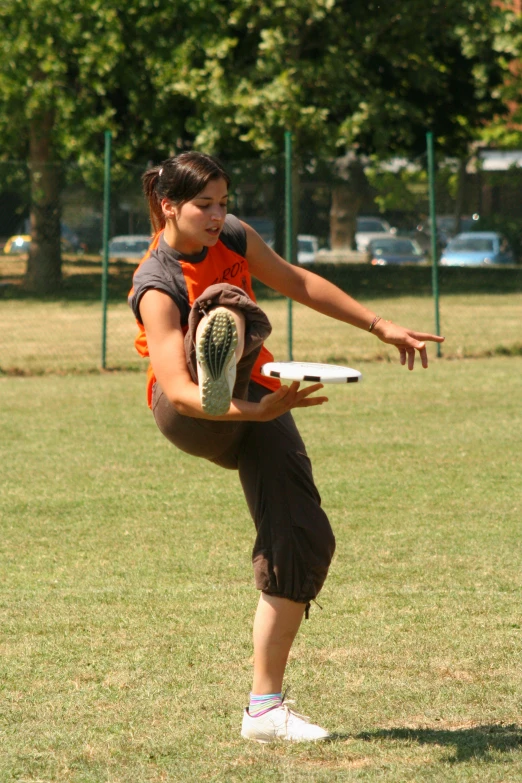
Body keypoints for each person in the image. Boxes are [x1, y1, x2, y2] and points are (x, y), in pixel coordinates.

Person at [128, 151, 444, 743]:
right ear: (169, 207)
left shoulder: (235, 236)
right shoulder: (157, 282)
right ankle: (219, 349)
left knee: (301, 536)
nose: (219, 214)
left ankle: (265, 710)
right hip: (192, 412)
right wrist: (245, 408)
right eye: (205, 205)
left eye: (224, 202)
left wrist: (382, 327)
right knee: (223, 304)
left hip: (259, 397)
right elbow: (173, 388)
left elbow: (299, 282)